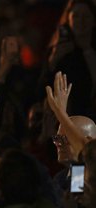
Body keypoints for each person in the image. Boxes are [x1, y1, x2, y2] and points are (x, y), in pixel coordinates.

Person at [46, 71, 96, 207]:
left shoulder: (87, 179)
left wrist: (60, 112)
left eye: (66, 138)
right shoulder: (59, 180)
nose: (58, 144)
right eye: (57, 138)